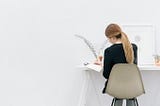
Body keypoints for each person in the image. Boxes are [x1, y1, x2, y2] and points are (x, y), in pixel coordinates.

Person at [102, 23, 138, 106]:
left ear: (112, 37)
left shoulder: (109, 51)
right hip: (132, 86)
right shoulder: (133, 47)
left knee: (119, 87)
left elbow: (106, 75)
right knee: (129, 90)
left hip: (116, 87)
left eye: (108, 38)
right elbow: (134, 68)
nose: (109, 40)